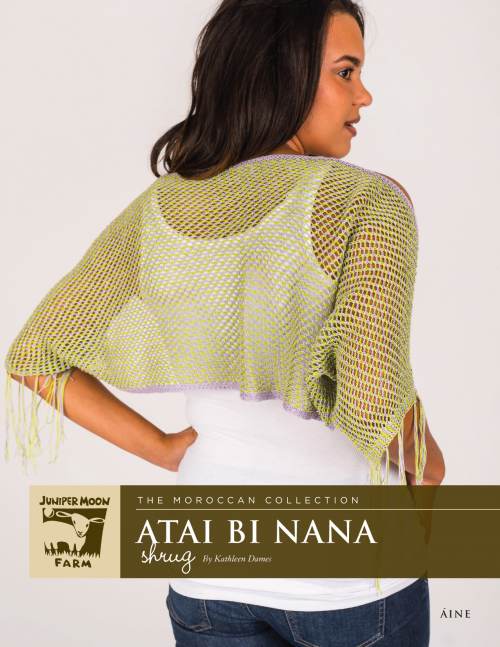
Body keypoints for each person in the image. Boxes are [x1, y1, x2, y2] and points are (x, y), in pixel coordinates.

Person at [5, 0, 445, 645]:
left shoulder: (162, 206)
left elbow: (33, 356)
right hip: (348, 577)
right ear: (282, 73)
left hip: (207, 573)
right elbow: (373, 391)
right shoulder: (367, 201)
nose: (364, 95)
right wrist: (429, 465)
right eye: (345, 72)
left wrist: (163, 448)